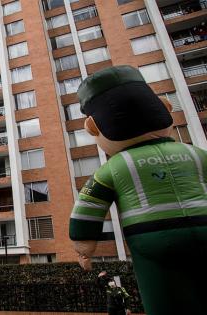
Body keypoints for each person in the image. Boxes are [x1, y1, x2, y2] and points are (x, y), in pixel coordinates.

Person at [69, 66, 207, 315]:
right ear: (166, 108)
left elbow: (88, 206)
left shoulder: (114, 167)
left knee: (163, 298)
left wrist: (84, 247)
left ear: (92, 127)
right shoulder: (194, 153)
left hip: (151, 238)